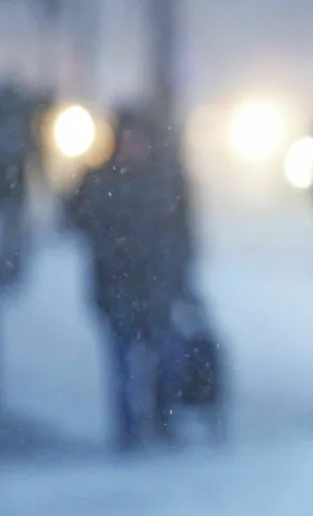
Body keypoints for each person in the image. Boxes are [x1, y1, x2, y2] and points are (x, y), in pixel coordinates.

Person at [67, 102, 195, 452]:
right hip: (118, 285)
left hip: (155, 284)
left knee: (166, 357)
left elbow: (183, 233)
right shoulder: (101, 179)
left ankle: (162, 420)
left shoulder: (163, 179)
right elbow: (75, 220)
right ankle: (128, 429)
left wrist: (182, 277)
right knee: (122, 361)